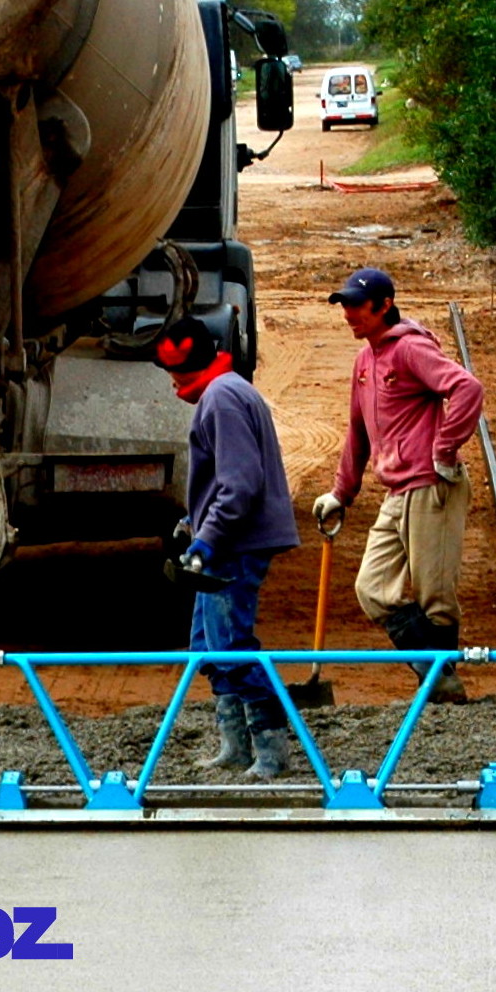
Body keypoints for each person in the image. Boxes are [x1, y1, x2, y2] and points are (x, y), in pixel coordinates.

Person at [313, 267, 485, 702]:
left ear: (385, 305)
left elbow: (467, 388)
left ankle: (443, 691)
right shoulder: (364, 361)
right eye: (345, 306)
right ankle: (438, 676)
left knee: (434, 596)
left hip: (432, 485)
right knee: (371, 588)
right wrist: (340, 493)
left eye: (357, 305)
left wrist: (444, 449)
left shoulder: (410, 349)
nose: (348, 314)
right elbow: (357, 432)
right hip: (396, 490)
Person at [155, 317, 302, 778]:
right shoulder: (229, 390)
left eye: (171, 371)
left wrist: (207, 539)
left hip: (235, 545)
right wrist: (193, 521)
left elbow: (239, 485)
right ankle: (236, 748)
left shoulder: (221, 398)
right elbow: (230, 480)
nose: (171, 382)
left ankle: (272, 754)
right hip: (230, 539)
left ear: (183, 367)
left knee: (232, 647)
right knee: (208, 645)